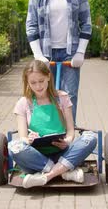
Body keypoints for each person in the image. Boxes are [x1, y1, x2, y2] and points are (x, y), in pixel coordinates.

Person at [8, 60, 97, 188]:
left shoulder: (62, 97)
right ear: (27, 82)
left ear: (48, 77)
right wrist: (29, 140)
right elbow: (23, 137)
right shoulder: (23, 103)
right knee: (13, 146)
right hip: (36, 157)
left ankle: (47, 176)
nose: (38, 86)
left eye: (41, 81)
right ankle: (64, 172)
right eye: (33, 82)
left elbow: (71, 131)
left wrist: (67, 141)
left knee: (90, 137)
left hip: (62, 153)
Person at [26, 0, 92, 123]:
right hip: (46, 54)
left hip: (70, 54)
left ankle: (67, 136)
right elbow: (31, 25)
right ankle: (46, 134)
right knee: (42, 94)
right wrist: (38, 55)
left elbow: (86, 23)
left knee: (69, 96)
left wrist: (80, 53)